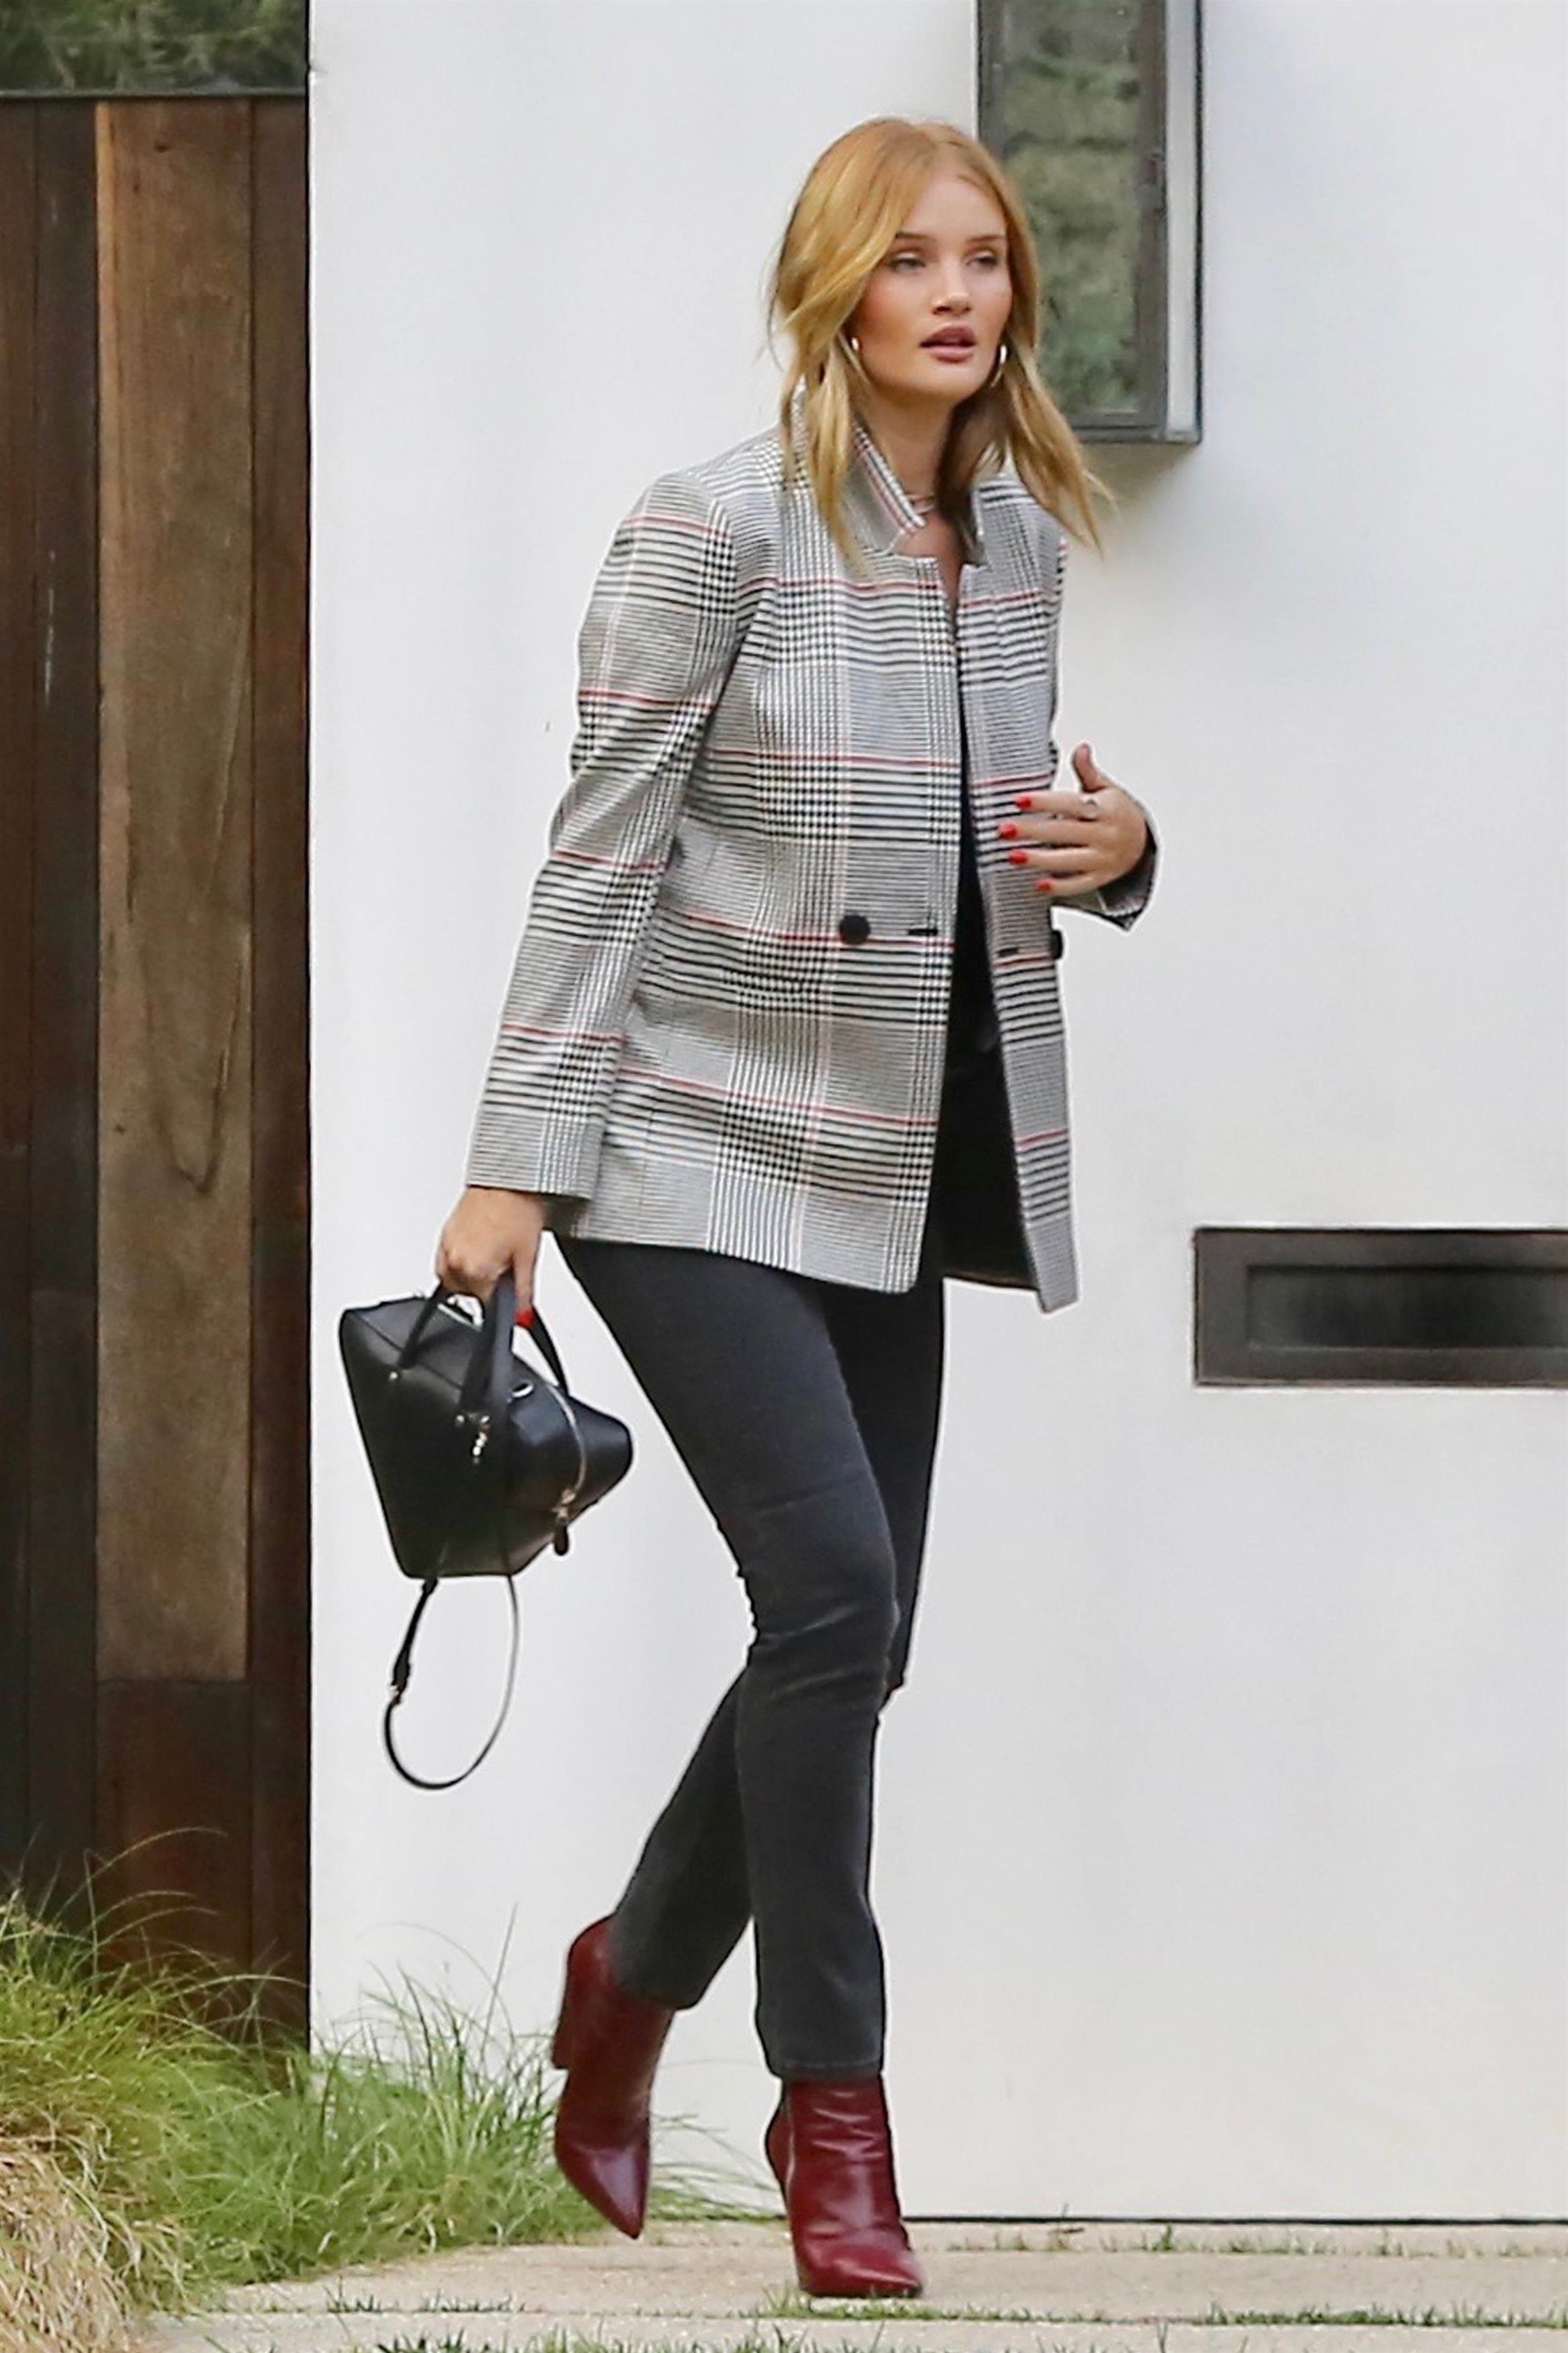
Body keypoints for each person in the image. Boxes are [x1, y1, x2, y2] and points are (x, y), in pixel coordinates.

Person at [436, 115, 1159, 2298]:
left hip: (891, 1157)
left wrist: (1121, 855)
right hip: (685, 1140)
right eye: (911, 259)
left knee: (858, 1631)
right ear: (833, 291)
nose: (956, 294)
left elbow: (995, 840)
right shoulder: (711, 527)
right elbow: (599, 857)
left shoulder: (1013, 545)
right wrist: (512, 1167)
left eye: (985, 260)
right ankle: (832, 2108)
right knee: (835, 1589)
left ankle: (628, 1974)